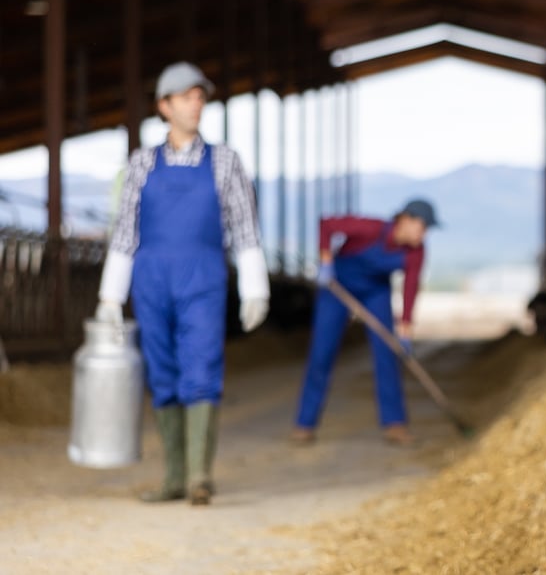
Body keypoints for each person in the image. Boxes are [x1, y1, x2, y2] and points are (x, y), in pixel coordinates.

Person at [95, 61, 270, 506]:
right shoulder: (141, 164)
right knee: (162, 370)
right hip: (150, 278)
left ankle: (198, 476)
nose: (196, 104)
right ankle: (173, 475)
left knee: (202, 365)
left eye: (199, 96)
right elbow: (125, 232)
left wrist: (256, 286)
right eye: (187, 97)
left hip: (202, 277)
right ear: (164, 106)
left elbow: (245, 227)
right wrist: (110, 296)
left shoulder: (225, 161)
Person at [290, 199, 436, 447]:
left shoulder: (416, 251)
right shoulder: (371, 228)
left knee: (387, 353)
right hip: (337, 287)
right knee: (321, 353)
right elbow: (326, 224)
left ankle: (394, 424)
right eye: (423, 227)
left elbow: (411, 286)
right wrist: (326, 262)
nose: (424, 234)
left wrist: (405, 330)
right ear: (406, 220)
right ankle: (305, 424)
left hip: (375, 292)